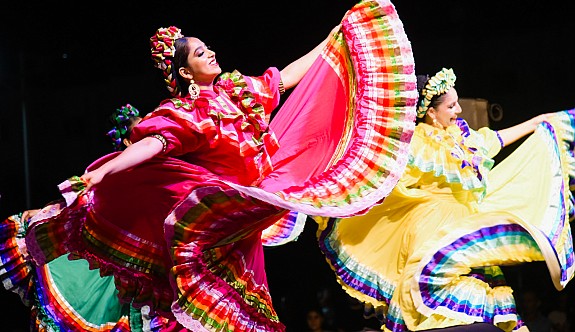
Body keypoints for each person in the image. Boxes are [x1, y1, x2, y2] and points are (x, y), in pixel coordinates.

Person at [10, 1, 419, 331]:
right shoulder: (185, 112)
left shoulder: (239, 92)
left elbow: (289, 76)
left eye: (209, 48)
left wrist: (333, 39)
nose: (212, 53)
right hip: (213, 217)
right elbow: (153, 144)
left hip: (244, 215)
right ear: (186, 72)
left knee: (239, 304)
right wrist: (105, 170)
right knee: (205, 308)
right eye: (201, 53)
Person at [316, 67, 575, 331]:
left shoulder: (462, 139)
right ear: (431, 112)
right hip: (431, 226)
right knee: (435, 304)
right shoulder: (415, 142)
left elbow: (495, 139)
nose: (458, 111)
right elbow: (380, 172)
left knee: (477, 304)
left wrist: (537, 122)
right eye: (451, 106)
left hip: (464, 223)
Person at [0, 105, 145, 331]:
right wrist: (47, 213)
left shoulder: (159, 165)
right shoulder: (122, 167)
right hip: (121, 254)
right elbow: (88, 198)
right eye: (141, 129)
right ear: (127, 142)